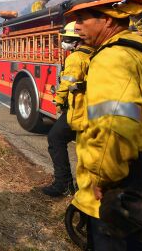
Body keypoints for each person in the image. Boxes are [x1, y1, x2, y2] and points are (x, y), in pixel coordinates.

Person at [64, 0, 142, 249]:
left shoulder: (111, 59)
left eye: (82, 18)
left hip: (120, 185)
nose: (76, 26)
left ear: (108, 19)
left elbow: (113, 126)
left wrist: (105, 181)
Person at [40, 22, 94, 197]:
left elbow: (67, 84)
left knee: (55, 138)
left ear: (75, 40)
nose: (64, 43)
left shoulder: (75, 58)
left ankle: (62, 184)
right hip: (92, 109)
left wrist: (59, 102)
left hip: (77, 109)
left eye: (66, 39)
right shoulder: (95, 54)